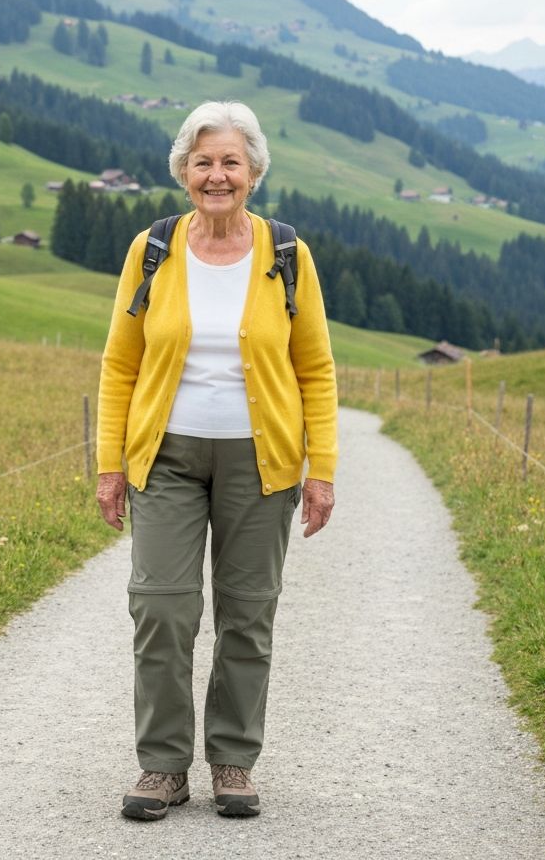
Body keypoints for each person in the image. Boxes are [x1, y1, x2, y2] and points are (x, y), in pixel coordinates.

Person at [95, 100, 337, 821]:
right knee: (161, 607)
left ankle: (232, 761)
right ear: (183, 170)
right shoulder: (154, 249)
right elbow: (119, 364)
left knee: (247, 614)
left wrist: (319, 468)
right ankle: (162, 767)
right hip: (164, 455)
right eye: (203, 161)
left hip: (261, 463)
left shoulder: (286, 254)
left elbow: (316, 369)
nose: (217, 175)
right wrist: (111, 464)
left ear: (254, 170)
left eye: (231, 161)